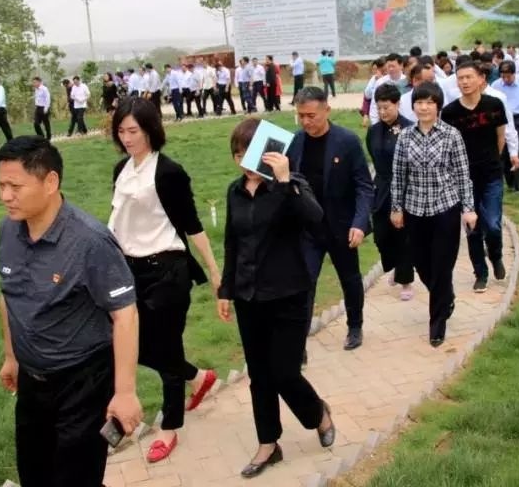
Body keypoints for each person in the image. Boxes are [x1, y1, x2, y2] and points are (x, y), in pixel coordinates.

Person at [0, 136, 142, 487]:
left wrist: (125, 392)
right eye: (0, 185)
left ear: (50, 182)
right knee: (35, 473)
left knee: (77, 477)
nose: (5, 196)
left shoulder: (90, 241)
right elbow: (8, 297)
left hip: (82, 383)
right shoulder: (8, 231)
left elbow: (125, 314)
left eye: (15, 186)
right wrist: (12, 356)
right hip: (32, 381)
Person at [218, 119, 336, 478]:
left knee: (285, 372)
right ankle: (268, 444)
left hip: (288, 294)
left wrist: (284, 181)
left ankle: (318, 413)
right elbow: (232, 243)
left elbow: (315, 220)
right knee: (260, 376)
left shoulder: (291, 185)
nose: (243, 162)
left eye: (249, 153)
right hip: (249, 297)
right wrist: (225, 290)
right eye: (237, 154)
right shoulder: (235, 192)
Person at [108, 99, 221, 463]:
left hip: (167, 271)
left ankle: (170, 428)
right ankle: (197, 376)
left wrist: (217, 275)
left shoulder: (169, 172)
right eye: (121, 131)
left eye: (133, 131)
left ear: (151, 129)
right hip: (129, 271)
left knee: (167, 348)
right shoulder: (121, 170)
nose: (127, 139)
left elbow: (193, 226)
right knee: (129, 347)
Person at [287, 87, 373, 352]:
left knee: (350, 279)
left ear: (326, 110)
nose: (306, 121)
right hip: (308, 229)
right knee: (304, 284)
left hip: (341, 226)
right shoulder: (295, 142)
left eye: (311, 115)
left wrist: (359, 223)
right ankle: (298, 342)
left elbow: (364, 186)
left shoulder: (346, 141)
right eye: (301, 115)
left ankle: (355, 326)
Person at [390, 82, 476, 347]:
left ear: (438, 105)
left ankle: (437, 322)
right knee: (421, 264)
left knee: (441, 265)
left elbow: (463, 174)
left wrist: (469, 208)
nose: (424, 107)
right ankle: (446, 295)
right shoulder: (405, 136)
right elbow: (398, 174)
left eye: (429, 102)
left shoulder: (452, 135)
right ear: (413, 106)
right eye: (419, 102)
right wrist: (396, 207)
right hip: (415, 209)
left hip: (445, 209)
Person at [441, 63, 518, 292]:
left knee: (493, 224)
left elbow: (500, 137)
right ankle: (480, 273)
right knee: (472, 227)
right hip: (464, 178)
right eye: (460, 78)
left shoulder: (494, 105)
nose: (464, 82)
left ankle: (495, 256)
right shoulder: (450, 112)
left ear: (481, 78)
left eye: (468, 77)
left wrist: (496, 159)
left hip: (492, 173)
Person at [365, 83, 415, 300]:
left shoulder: (411, 129)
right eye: (380, 108)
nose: (383, 112)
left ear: (397, 103)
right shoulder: (373, 131)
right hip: (382, 187)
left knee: (403, 235)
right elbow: (374, 157)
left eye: (387, 107)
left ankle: (406, 281)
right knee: (381, 236)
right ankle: (394, 265)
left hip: (405, 187)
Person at [491, 61, 519, 192]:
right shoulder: (495, 85)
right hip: (501, 120)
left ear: (514, 74)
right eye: (503, 76)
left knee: (518, 152)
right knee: (504, 152)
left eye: (508, 76)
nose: (505, 79)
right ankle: (510, 182)